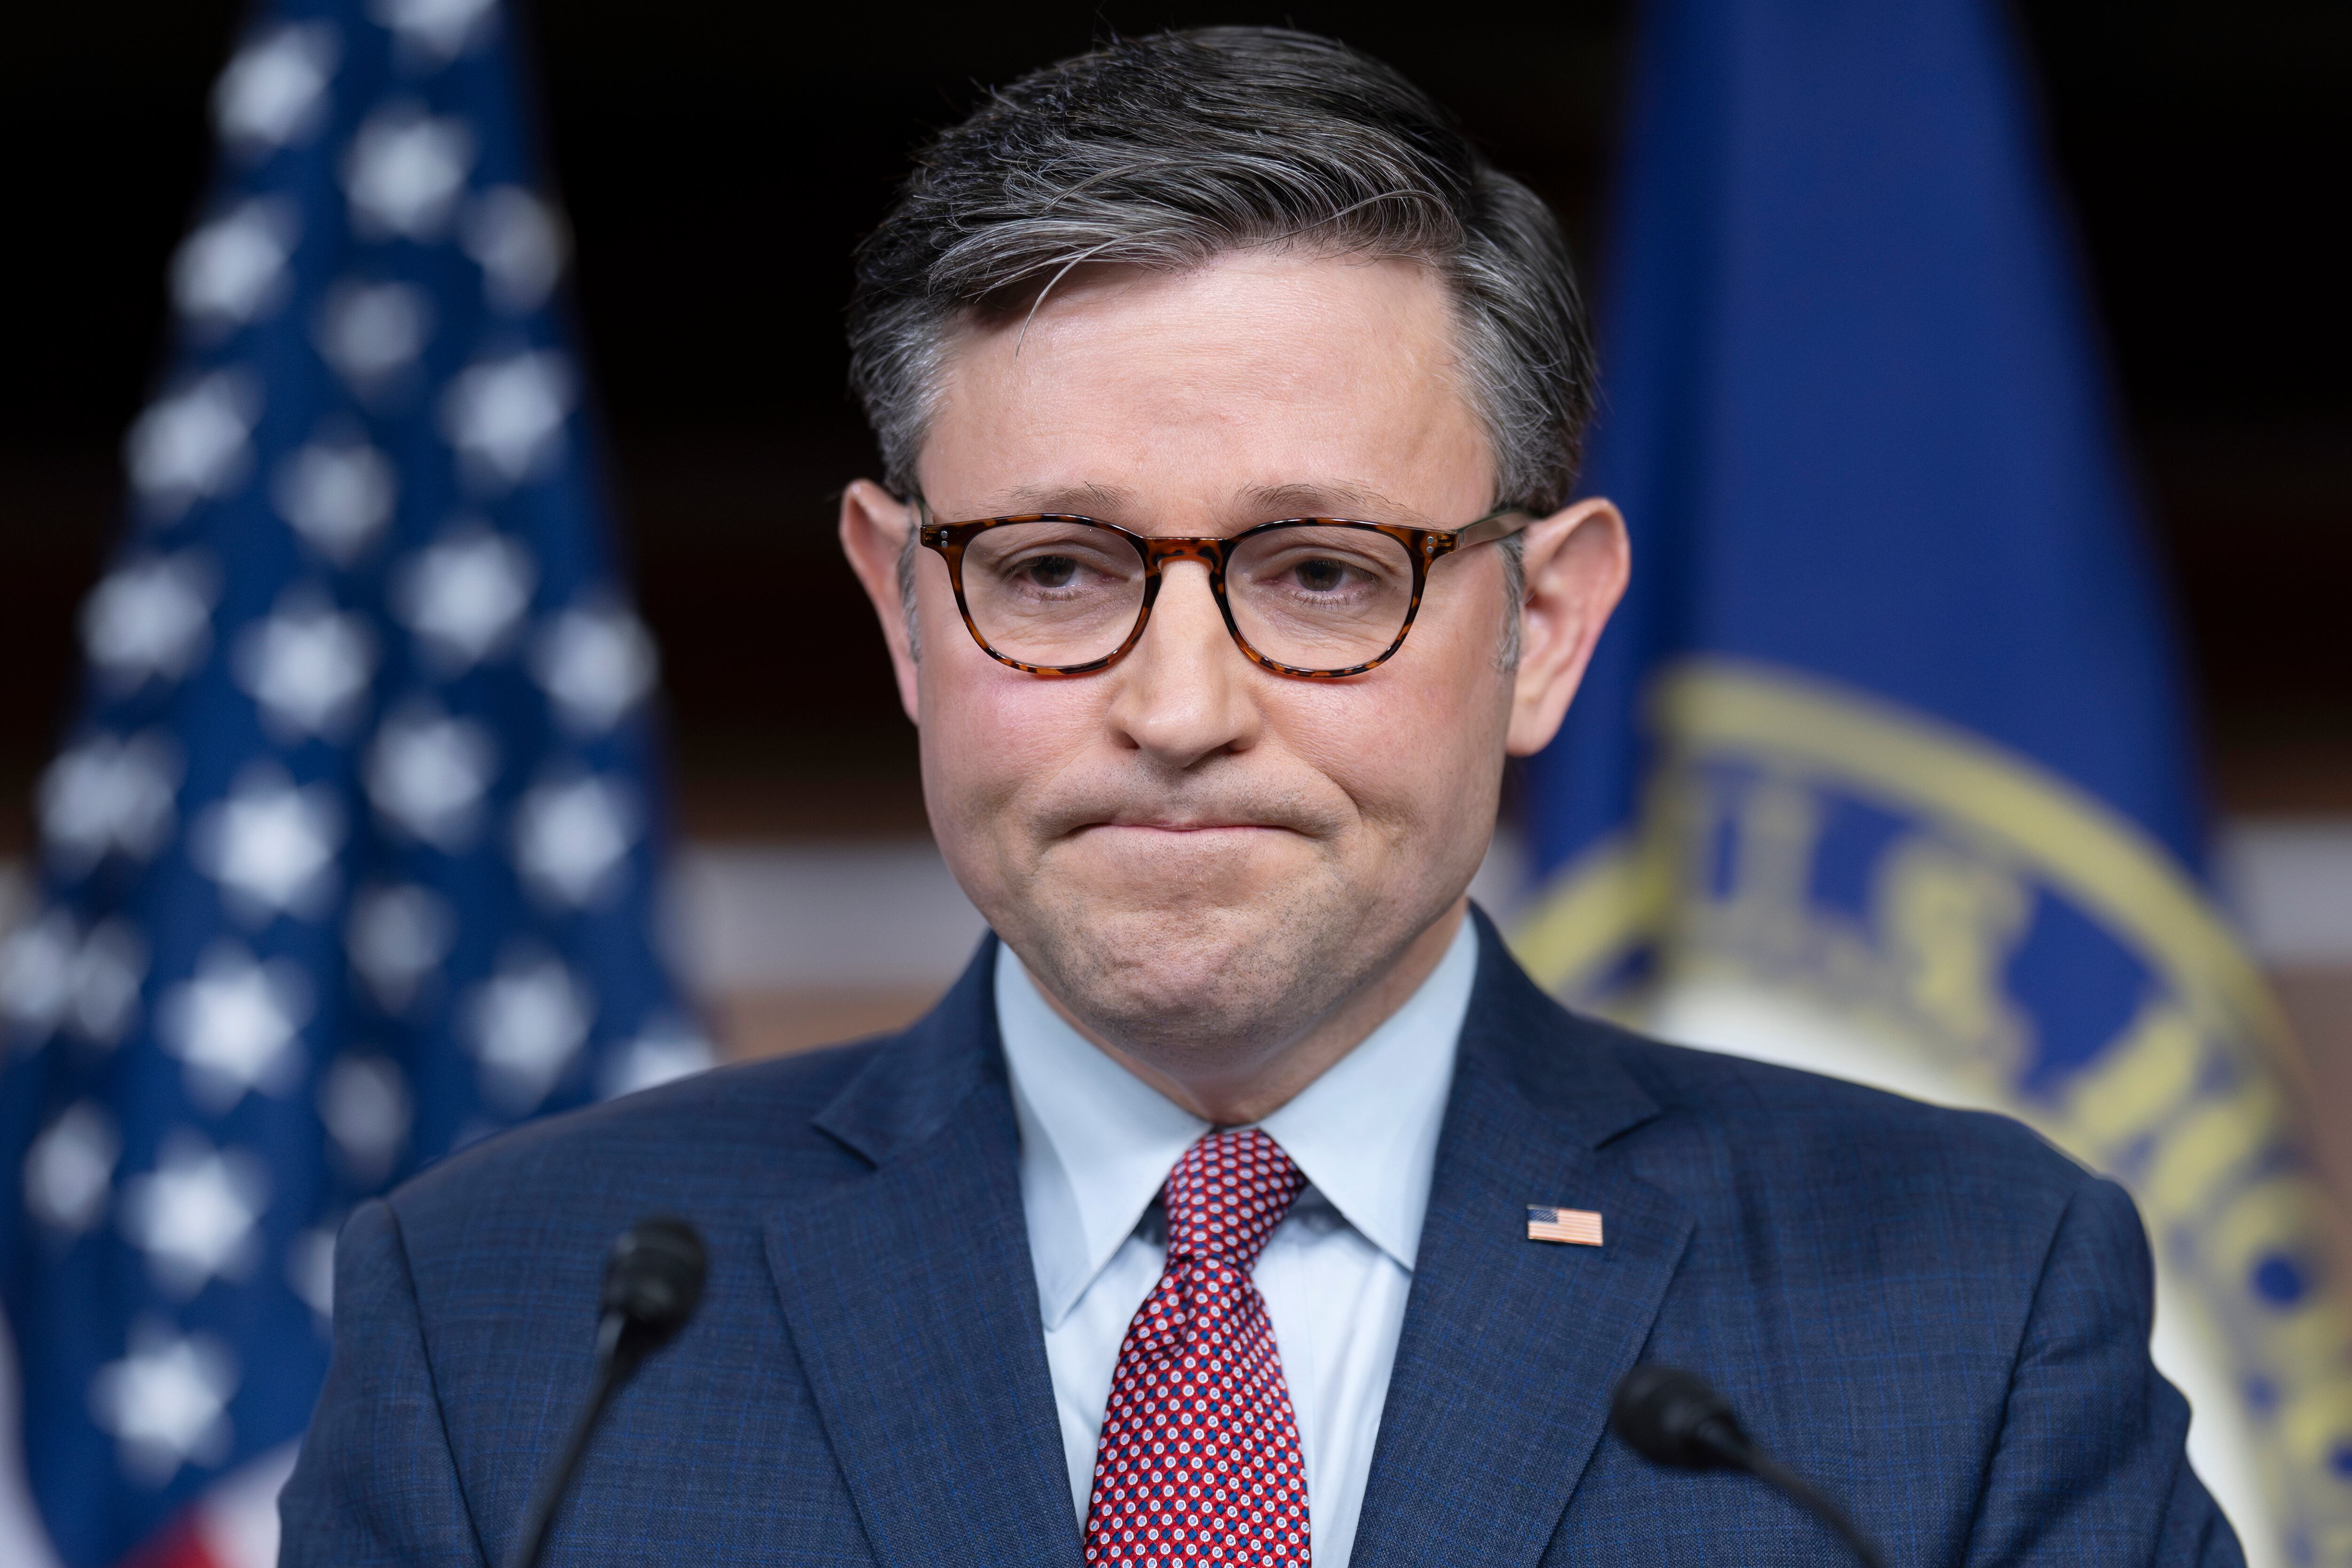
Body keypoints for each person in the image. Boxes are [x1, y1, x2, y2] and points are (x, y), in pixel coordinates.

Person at [281, 27, 2239, 1568]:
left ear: (1543, 627)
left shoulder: (1958, 1303)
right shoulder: (519, 1328)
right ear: (899, 607)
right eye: (1052, 570)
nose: (1178, 706)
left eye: (1318, 573)